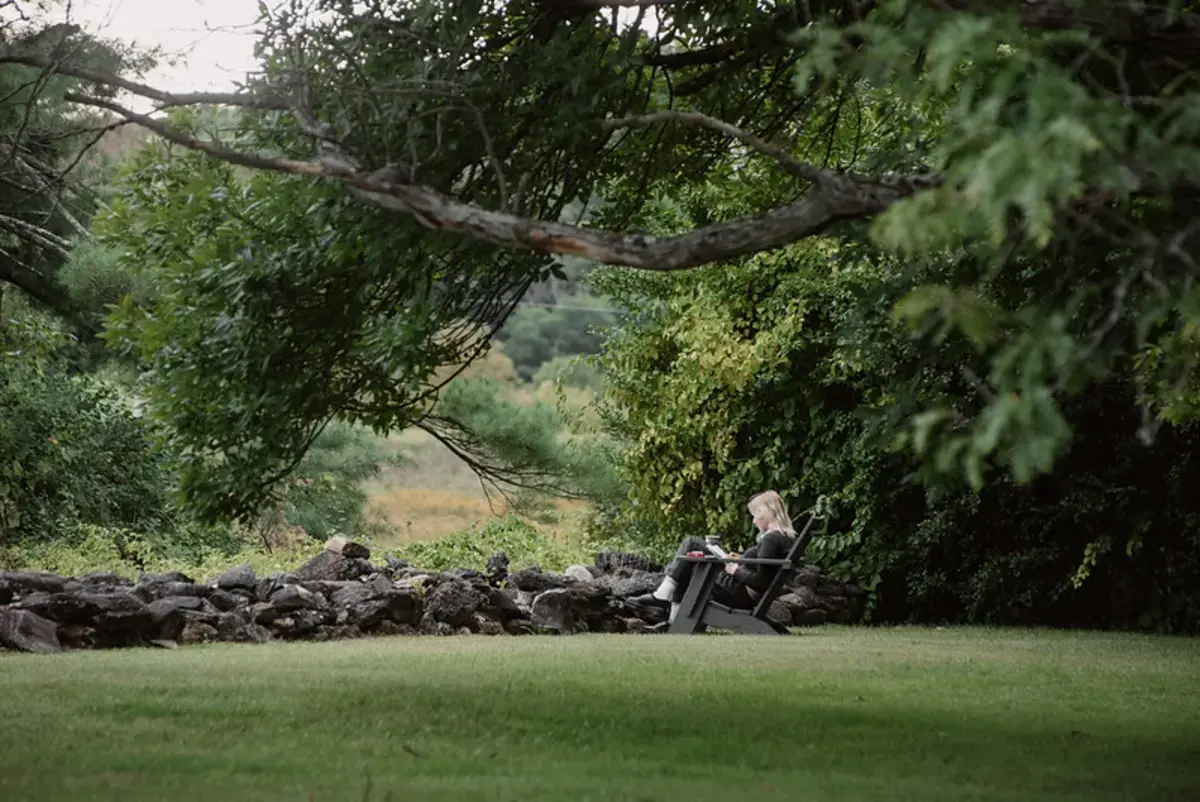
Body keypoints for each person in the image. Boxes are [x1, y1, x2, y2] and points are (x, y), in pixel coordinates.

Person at [629, 490, 798, 626]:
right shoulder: (784, 537)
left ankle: (664, 599)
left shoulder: (771, 539)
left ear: (764, 513)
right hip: (743, 591)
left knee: (692, 544)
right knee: (690, 559)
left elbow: (760, 581)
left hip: (740, 594)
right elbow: (763, 568)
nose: (753, 521)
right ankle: (671, 616)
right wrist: (739, 559)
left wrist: (736, 570)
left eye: (754, 515)